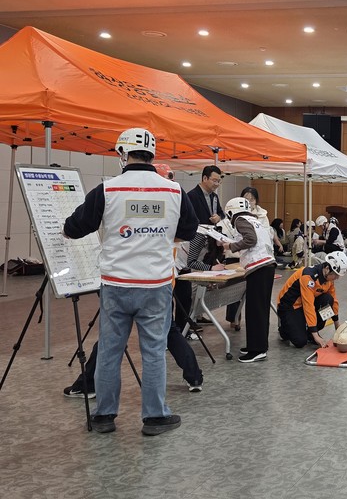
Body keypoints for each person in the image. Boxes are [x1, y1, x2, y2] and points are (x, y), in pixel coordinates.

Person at [63, 128, 198, 436]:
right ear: (152, 155)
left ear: (123, 154)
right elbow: (189, 230)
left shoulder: (107, 189)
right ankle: (155, 417)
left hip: (116, 284)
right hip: (156, 284)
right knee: (153, 351)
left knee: (110, 351)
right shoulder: (174, 191)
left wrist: (65, 230)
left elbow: (77, 226)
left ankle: (104, 416)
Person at [64, 317, 204, 398]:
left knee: (112, 335)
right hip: (157, 286)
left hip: (125, 286)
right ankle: (194, 377)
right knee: (169, 331)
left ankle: (87, 384)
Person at [217, 197, 277, 362]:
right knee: (260, 309)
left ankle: (257, 350)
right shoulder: (254, 220)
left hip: (259, 267)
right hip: (266, 265)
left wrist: (230, 246)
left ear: (231, 211)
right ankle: (257, 345)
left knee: (255, 310)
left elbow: (251, 240)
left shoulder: (240, 220)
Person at [276, 252, 347, 348]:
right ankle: (284, 328)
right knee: (300, 341)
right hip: (290, 305)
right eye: (335, 275)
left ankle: (310, 334)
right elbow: (308, 305)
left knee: (328, 300)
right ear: (327, 268)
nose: (337, 278)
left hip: (305, 303)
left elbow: (334, 300)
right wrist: (316, 335)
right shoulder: (308, 277)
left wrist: (337, 325)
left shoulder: (329, 279)